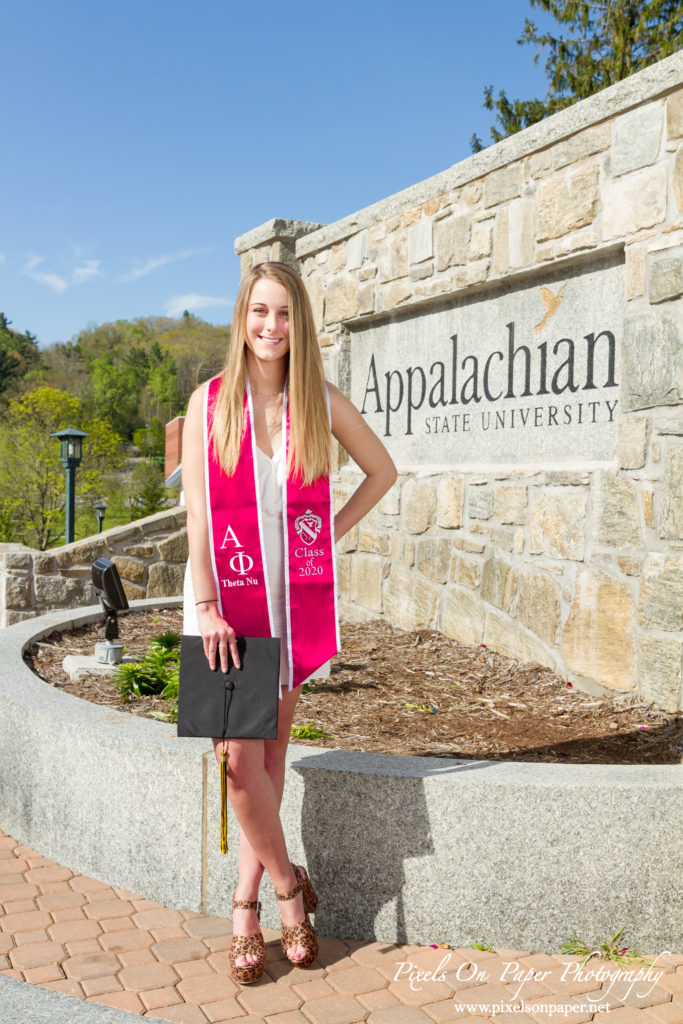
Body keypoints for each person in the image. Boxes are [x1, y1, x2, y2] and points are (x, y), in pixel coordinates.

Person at [181, 261, 396, 984]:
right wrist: (206, 605)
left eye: (283, 314)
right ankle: (287, 891)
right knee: (238, 763)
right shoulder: (210, 403)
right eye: (258, 311)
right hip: (222, 608)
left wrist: (322, 539)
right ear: (241, 317)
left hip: (289, 605)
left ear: (298, 325)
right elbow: (197, 523)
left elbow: (381, 470)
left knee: (269, 762)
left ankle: (243, 906)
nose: (269, 327)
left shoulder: (316, 402)